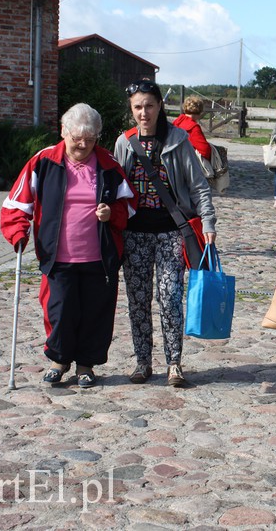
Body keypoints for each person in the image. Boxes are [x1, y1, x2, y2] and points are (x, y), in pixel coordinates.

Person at [0, 103, 137, 389]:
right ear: (64, 132)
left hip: (99, 255)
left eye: (90, 139)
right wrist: (18, 232)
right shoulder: (44, 161)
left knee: (95, 311)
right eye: (77, 138)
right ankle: (58, 361)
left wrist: (112, 213)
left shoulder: (108, 165)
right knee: (60, 310)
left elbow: (129, 207)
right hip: (57, 254)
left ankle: (86, 365)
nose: (83, 144)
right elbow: (16, 203)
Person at [114, 79, 217, 388]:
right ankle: (142, 361)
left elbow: (199, 186)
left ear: (159, 106)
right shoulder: (124, 142)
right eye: (137, 107)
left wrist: (209, 223)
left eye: (149, 106)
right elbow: (113, 186)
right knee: (138, 300)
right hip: (135, 235)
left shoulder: (178, 139)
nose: (143, 113)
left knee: (170, 298)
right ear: (131, 110)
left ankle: (174, 363)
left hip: (172, 233)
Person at [173, 95, 211, 162]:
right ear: (199, 111)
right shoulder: (193, 128)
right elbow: (205, 150)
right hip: (187, 164)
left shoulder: (176, 122)